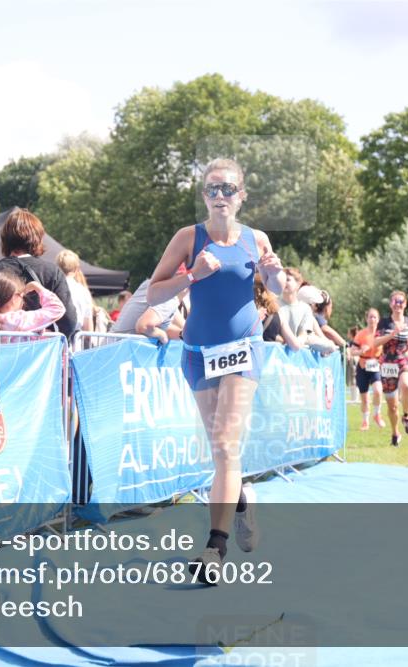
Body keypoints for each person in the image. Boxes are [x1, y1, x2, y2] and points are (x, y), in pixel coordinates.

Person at [145, 158, 285, 584]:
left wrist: (274, 276)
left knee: (226, 443)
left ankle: (214, 547)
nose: (220, 196)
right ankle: (242, 499)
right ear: (204, 196)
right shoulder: (189, 238)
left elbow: (276, 290)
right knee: (220, 450)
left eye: (228, 189)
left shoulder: (256, 239)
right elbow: (155, 290)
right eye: (212, 189)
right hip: (198, 350)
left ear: (242, 195)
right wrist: (191, 275)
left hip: (244, 349)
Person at [0, 208, 77, 337]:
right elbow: (69, 321)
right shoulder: (52, 272)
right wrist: (48, 337)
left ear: (5, 239)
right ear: (38, 239)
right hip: (41, 352)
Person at [370, 290, 408, 447]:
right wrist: (392, 334)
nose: (398, 304)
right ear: (390, 304)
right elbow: (375, 342)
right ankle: (395, 432)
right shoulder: (383, 323)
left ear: (405, 304)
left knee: (406, 384)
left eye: (401, 301)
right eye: (395, 301)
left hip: (405, 358)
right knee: (392, 406)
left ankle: (406, 416)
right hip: (387, 362)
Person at [0, 272, 66, 334]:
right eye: (22, 295)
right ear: (13, 297)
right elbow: (57, 308)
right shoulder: (19, 319)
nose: (23, 299)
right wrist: (38, 287)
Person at [110, 274, 185, 343]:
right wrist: (162, 336)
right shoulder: (170, 297)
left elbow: (163, 326)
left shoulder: (150, 283)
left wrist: (183, 334)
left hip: (109, 348)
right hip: (121, 352)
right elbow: (144, 326)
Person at [352, 308, 384, 429]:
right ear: (366, 319)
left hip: (375, 366)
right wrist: (361, 350)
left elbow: (387, 351)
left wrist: (382, 360)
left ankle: (377, 414)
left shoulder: (381, 334)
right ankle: (365, 422)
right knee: (364, 399)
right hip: (362, 367)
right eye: (370, 317)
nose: (372, 319)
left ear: (378, 319)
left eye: (374, 317)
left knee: (378, 390)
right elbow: (352, 351)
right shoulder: (361, 334)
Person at [254, 274, 301, 351]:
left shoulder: (247, 313)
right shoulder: (278, 314)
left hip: (247, 358)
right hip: (269, 360)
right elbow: (295, 346)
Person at [56, 249, 94, 333]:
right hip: (77, 339)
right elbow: (88, 327)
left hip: (57, 337)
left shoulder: (54, 288)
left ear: (58, 268)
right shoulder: (83, 291)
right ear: (76, 269)